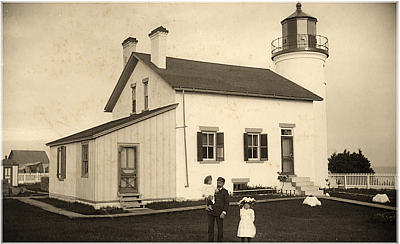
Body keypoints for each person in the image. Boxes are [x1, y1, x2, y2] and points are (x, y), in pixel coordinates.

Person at [207, 176, 229, 242]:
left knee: (220, 228)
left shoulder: (225, 192)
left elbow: (226, 203)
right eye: (218, 181)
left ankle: (219, 241)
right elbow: (209, 198)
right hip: (211, 212)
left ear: (223, 183)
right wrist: (208, 205)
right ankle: (210, 241)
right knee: (210, 228)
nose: (219, 183)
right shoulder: (212, 190)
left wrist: (224, 212)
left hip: (219, 213)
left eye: (221, 182)